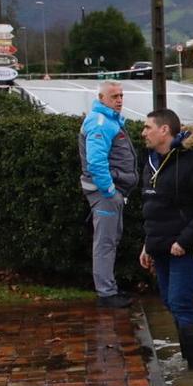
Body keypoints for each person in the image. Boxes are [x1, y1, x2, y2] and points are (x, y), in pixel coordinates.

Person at [138, 109, 193, 371]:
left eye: (148, 127)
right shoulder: (152, 161)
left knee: (180, 301)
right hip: (160, 246)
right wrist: (147, 244)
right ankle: (189, 360)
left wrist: (184, 241)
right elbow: (153, 207)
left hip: (186, 248)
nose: (143, 132)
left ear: (164, 130)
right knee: (169, 301)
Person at [80, 81, 136, 308]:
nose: (120, 100)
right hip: (105, 194)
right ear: (102, 98)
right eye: (114, 96)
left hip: (112, 193)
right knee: (105, 242)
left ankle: (109, 288)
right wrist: (110, 190)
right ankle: (106, 294)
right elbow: (96, 162)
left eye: (121, 95)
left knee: (110, 240)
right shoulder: (101, 122)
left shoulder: (110, 120)